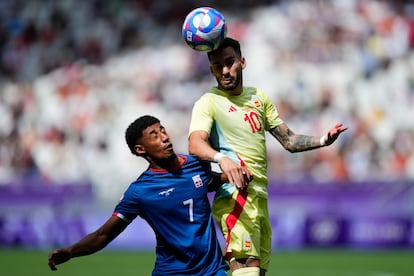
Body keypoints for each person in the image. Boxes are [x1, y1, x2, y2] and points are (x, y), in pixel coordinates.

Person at [188, 37, 348, 276]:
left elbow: (289, 141)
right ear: (211, 70)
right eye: (218, 66)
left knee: (257, 272)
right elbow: (195, 143)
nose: (225, 70)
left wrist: (323, 140)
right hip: (234, 196)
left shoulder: (258, 98)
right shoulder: (209, 102)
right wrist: (222, 159)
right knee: (246, 268)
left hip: (260, 196)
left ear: (242, 62)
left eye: (230, 62)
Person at [48, 115, 233, 276]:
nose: (165, 137)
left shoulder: (196, 164)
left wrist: (231, 175)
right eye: (155, 135)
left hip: (212, 270)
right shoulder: (139, 192)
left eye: (163, 130)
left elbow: (206, 182)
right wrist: (71, 252)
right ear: (140, 149)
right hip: (173, 271)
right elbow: (102, 235)